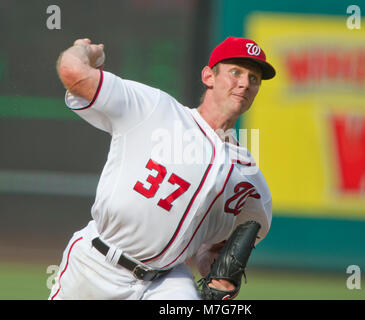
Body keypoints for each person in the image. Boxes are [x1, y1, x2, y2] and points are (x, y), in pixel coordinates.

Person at [49, 36, 275, 300]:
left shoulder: (247, 175)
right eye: (235, 72)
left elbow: (235, 237)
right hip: (96, 264)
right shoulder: (155, 108)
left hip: (165, 282)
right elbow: (72, 72)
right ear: (208, 76)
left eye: (254, 78)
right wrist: (85, 50)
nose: (244, 83)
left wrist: (212, 262)